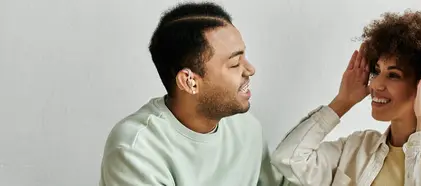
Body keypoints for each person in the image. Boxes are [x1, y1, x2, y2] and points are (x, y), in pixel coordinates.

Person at [271, 10, 421, 186]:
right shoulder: (356, 147)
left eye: (393, 75)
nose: (374, 84)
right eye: (377, 71)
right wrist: (343, 101)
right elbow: (288, 160)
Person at [99, 2, 285, 186]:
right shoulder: (136, 149)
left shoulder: (247, 129)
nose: (250, 70)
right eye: (235, 63)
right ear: (189, 81)